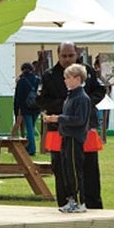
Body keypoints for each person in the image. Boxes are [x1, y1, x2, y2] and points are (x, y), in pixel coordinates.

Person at [38, 42, 107, 209]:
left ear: (77, 54)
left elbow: (101, 90)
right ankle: (66, 202)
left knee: (89, 168)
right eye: (64, 56)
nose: (68, 59)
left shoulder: (87, 72)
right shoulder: (49, 75)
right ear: (58, 55)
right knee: (62, 168)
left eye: (71, 55)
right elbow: (40, 100)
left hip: (85, 127)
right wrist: (64, 106)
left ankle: (92, 204)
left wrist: (84, 104)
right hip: (59, 131)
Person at [43, 63, 91, 213]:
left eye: (68, 78)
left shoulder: (82, 98)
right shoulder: (71, 96)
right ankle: (71, 199)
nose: (65, 81)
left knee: (74, 171)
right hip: (66, 137)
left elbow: (79, 120)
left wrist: (58, 119)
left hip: (74, 138)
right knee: (67, 170)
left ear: (77, 79)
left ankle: (79, 202)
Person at [13, 62, 40, 155]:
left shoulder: (21, 81)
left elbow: (18, 97)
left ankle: (31, 149)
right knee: (31, 127)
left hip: (26, 108)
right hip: (36, 107)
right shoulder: (37, 80)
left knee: (29, 129)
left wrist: (16, 111)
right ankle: (29, 146)